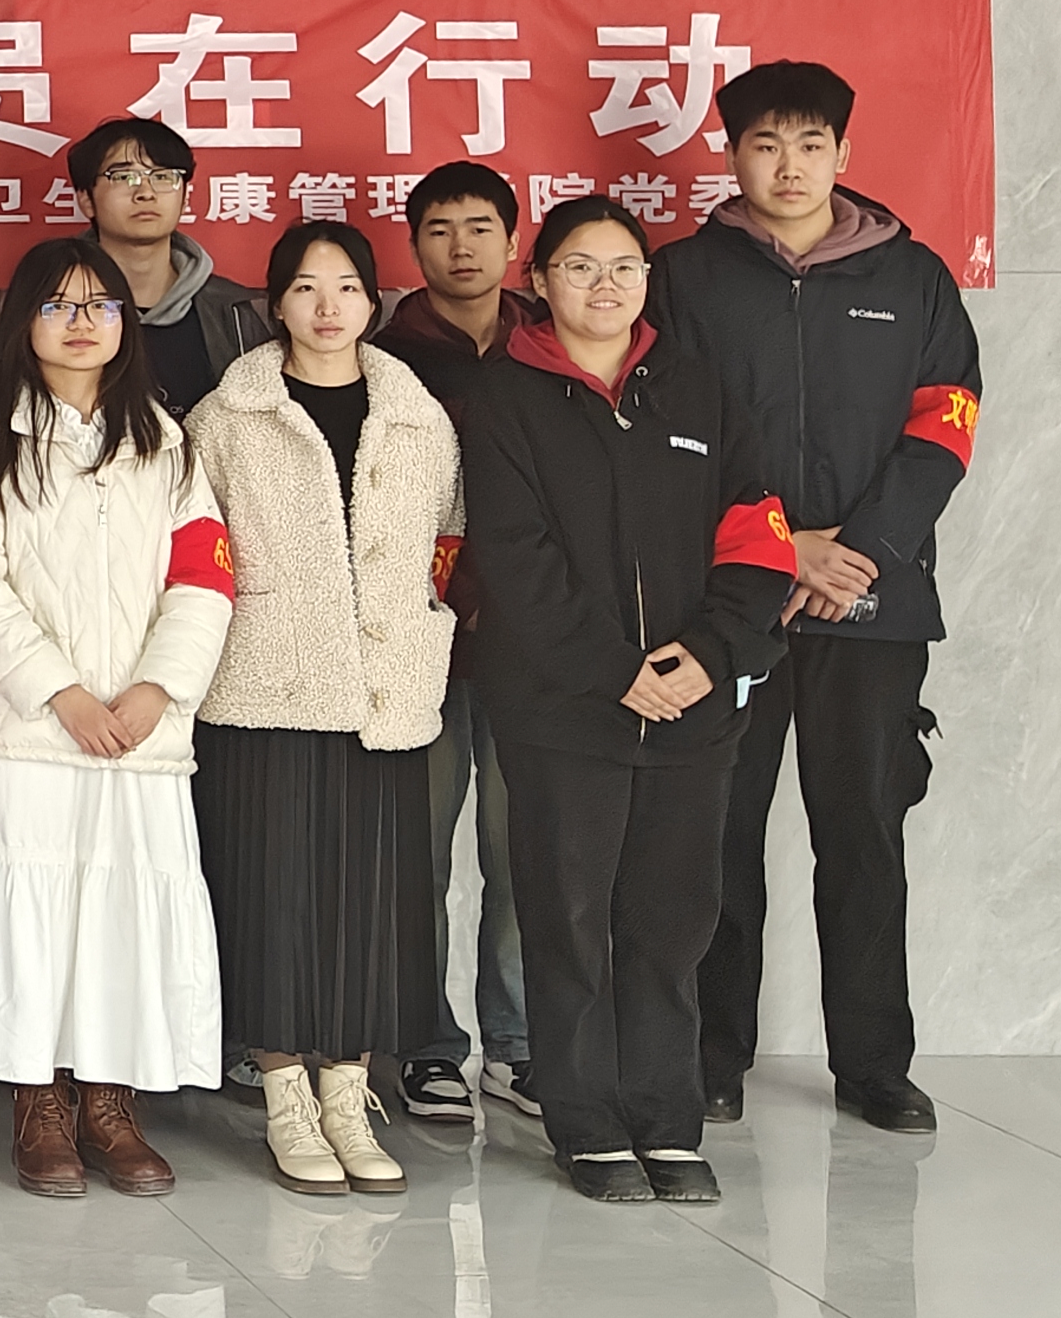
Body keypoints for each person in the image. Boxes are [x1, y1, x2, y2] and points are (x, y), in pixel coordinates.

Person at [653, 62, 983, 1135]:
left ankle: (874, 1062)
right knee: (717, 831)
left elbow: (945, 425)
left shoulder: (915, 278)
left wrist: (865, 552)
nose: (786, 166)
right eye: (763, 144)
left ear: (843, 153)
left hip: (872, 606)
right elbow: (667, 432)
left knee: (864, 830)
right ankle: (710, 1055)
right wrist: (779, 550)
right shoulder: (681, 278)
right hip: (731, 601)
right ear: (730, 155)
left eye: (808, 144)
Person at [457, 196, 797, 1202]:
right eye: (578, 267)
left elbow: (758, 533)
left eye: (622, 268)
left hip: (695, 705)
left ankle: (666, 1118)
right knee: (567, 918)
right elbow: (513, 559)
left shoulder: (697, 387)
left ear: (648, 281)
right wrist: (616, 669)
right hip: (564, 709)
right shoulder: (502, 397)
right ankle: (586, 1121)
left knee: (673, 919)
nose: (602, 287)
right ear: (538, 280)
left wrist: (709, 653)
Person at [0, 236, 235, 1199]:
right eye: (58, 306)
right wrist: (60, 692)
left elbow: (206, 577)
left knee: (121, 921)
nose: (82, 322)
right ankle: (38, 1102)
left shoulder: (169, 445)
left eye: (100, 305)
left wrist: (155, 689)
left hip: (140, 735)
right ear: (24, 323)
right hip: (31, 733)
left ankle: (110, 1103)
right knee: (37, 917)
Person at [181, 222, 462, 1197]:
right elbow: (199, 547)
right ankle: (285, 1096)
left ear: (374, 303)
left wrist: (415, 624)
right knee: (274, 896)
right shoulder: (227, 416)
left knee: (370, 901)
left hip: (383, 692)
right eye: (305, 287)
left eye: (346, 287)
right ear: (275, 304)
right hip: (267, 685)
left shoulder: (418, 417)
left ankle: (348, 1094)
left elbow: (448, 537)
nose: (328, 306)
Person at [373, 161, 539, 1124]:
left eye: (480, 227)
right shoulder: (384, 359)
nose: (461, 246)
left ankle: (517, 1046)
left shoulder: (550, 345)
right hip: (419, 648)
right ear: (413, 247)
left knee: (522, 857)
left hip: (532, 647)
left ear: (514, 241)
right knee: (417, 859)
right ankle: (426, 1045)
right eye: (439, 230)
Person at [63, 116, 275, 412]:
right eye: (123, 177)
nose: (146, 192)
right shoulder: (54, 307)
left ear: (185, 197)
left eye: (163, 177)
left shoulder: (233, 309)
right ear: (86, 200)